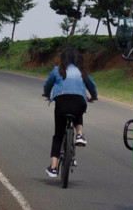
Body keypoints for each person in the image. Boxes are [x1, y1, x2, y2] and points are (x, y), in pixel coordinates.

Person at [42, 47, 98, 178]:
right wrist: (93, 97)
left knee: (58, 136)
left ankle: (54, 168)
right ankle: (79, 134)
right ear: (78, 59)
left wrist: (46, 93)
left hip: (61, 104)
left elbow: (47, 85)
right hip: (79, 102)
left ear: (63, 59)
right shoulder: (82, 71)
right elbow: (92, 87)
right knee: (78, 110)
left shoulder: (57, 70)